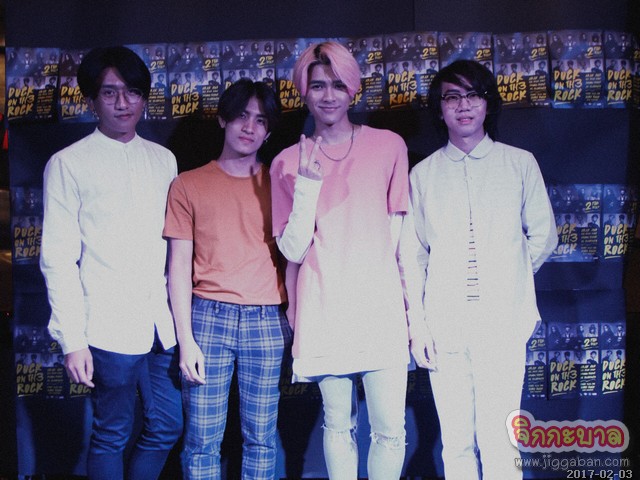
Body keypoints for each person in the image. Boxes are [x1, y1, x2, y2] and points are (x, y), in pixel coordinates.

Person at [270, 41, 431, 479]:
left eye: (338, 85)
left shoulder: (388, 146)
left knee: (390, 431)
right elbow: (293, 250)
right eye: (318, 85)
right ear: (303, 91)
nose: (328, 96)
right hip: (324, 308)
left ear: (354, 90)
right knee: (339, 424)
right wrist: (307, 185)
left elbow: (401, 242)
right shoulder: (286, 162)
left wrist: (413, 319)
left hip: (380, 309)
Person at [403, 60, 557, 480]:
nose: (463, 106)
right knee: (456, 441)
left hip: (503, 322)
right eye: (452, 97)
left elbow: (543, 236)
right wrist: (419, 327)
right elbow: (414, 256)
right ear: (440, 109)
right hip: (444, 324)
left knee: (499, 439)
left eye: (473, 95)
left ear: (488, 103)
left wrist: (508, 277)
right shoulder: (424, 175)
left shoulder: (519, 163)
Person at [40, 46, 182, 480]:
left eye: (133, 92)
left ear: (144, 99)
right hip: (107, 325)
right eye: (110, 93)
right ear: (91, 100)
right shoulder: (67, 164)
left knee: (167, 425)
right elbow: (57, 259)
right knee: (111, 435)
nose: (123, 103)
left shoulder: (163, 159)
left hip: (160, 323)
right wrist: (72, 340)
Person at [164, 78, 290, 479]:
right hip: (208, 318)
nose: (249, 127)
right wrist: (186, 340)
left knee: (262, 438)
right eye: (241, 116)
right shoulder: (188, 184)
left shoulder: (281, 183)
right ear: (222, 119)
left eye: (260, 120)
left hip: (267, 318)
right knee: (202, 439)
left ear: (269, 131)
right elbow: (178, 268)